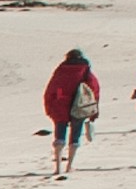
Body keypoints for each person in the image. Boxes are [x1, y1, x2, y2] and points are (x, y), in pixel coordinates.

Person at [41, 48, 102, 177]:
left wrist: (50, 107)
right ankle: (69, 166)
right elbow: (93, 89)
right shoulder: (85, 70)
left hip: (60, 105)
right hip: (80, 105)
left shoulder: (60, 71)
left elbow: (50, 90)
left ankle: (57, 167)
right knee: (75, 136)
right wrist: (94, 109)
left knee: (59, 135)